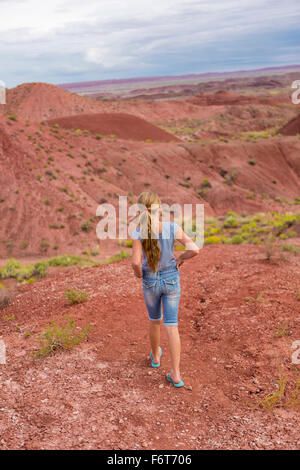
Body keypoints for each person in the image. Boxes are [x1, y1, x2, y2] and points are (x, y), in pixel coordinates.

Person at [130, 191, 200, 388]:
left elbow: (136, 262)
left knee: (154, 320)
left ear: (139, 211)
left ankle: (155, 357)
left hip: (150, 281)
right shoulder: (172, 228)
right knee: (172, 325)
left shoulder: (137, 231)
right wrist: (179, 259)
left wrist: (139, 275)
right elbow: (195, 249)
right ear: (159, 208)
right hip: (171, 280)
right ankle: (176, 374)